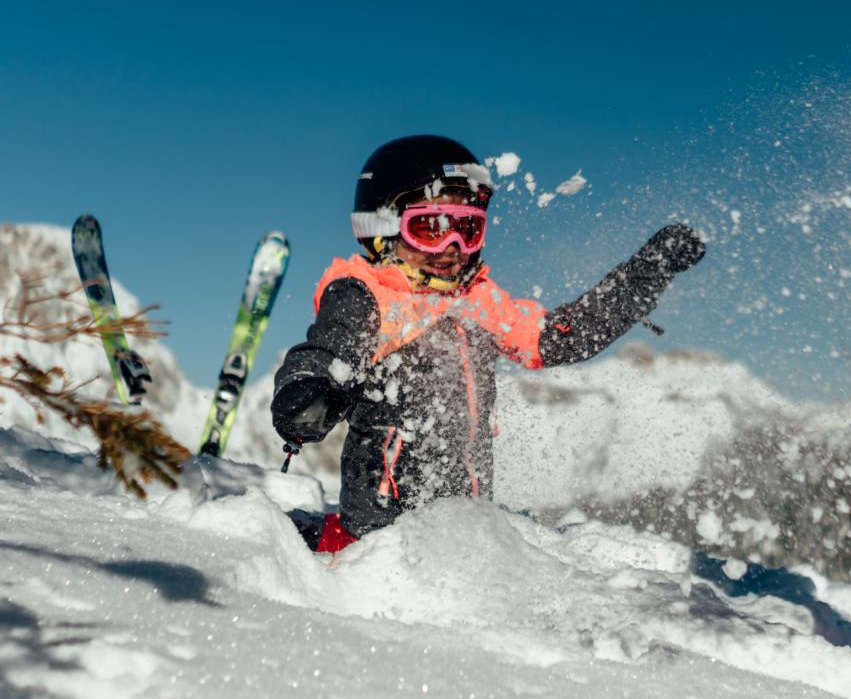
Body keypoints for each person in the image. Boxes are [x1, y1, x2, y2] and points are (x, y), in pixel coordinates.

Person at [272, 134, 706, 551]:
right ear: (382, 230)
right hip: (379, 539)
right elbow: (325, 353)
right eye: (432, 228)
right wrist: (305, 391)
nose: (453, 246)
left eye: (468, 228)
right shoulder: (370, 296)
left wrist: (644, 277)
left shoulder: (476, 301)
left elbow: (555, 338)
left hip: (466, 533)